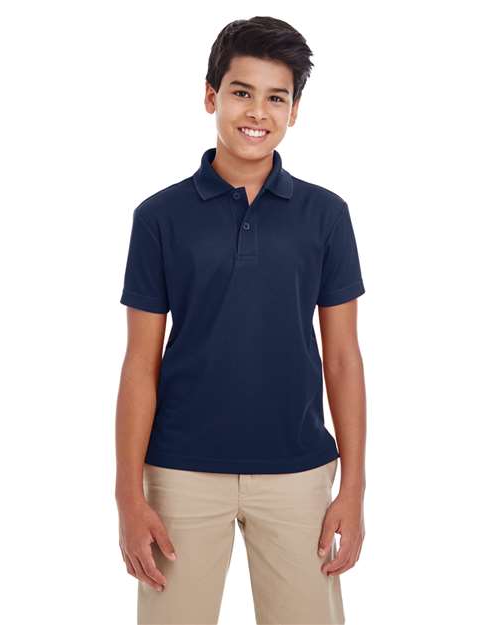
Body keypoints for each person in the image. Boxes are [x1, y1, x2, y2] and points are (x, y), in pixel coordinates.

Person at [115, 15, 366, 625]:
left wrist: (354, 488)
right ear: (211, 97)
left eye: (276, 97)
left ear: (294, 110)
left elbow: (342, 358)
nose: (257, 112)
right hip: (179, 473)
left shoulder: (326, 215)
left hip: (299, 471)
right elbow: (140, 363)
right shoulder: (159, 217)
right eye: (241, 92)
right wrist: (128, 496)